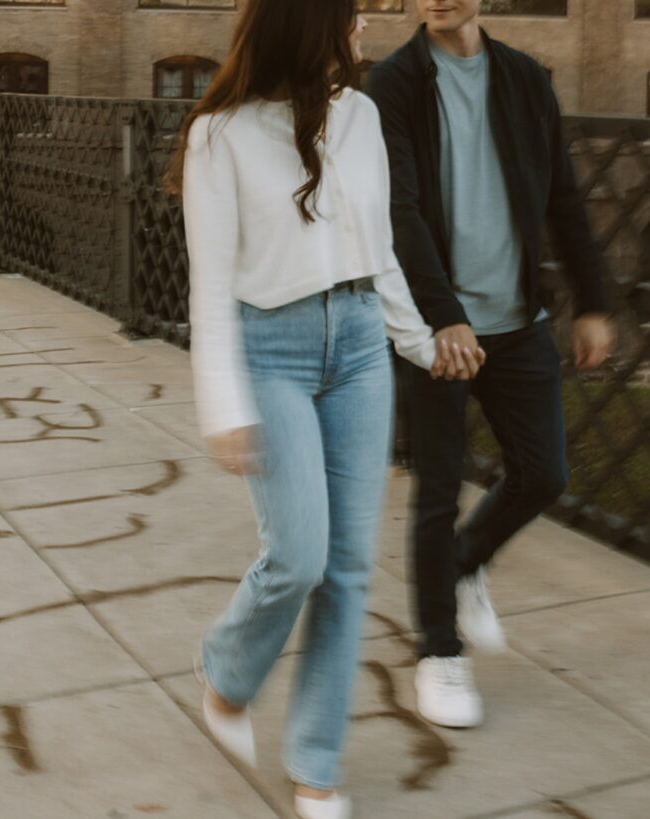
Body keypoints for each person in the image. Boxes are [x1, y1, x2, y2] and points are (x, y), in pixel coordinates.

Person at [165, 2, 472, 816]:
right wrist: (222, 402)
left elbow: (378, 252)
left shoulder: (360, 117)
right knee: (297, 554)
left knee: (346, 569)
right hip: (271, 352)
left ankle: (317, 766)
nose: (362, 29)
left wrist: (419, 340)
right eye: (350, 16)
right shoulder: (219, 135)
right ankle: (227, 669)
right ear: (309, 26)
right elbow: (210, 285)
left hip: (362, 349)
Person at [366, 1, 615, 730]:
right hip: (440, 328)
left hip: (518, 322)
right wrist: (442, 315)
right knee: (438, 487)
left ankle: (466, 561)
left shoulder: (525, 78)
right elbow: (399, 209)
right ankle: (438, 651)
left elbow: (562, 196)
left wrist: (593, 300)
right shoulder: (395, 83)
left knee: (544, 473)